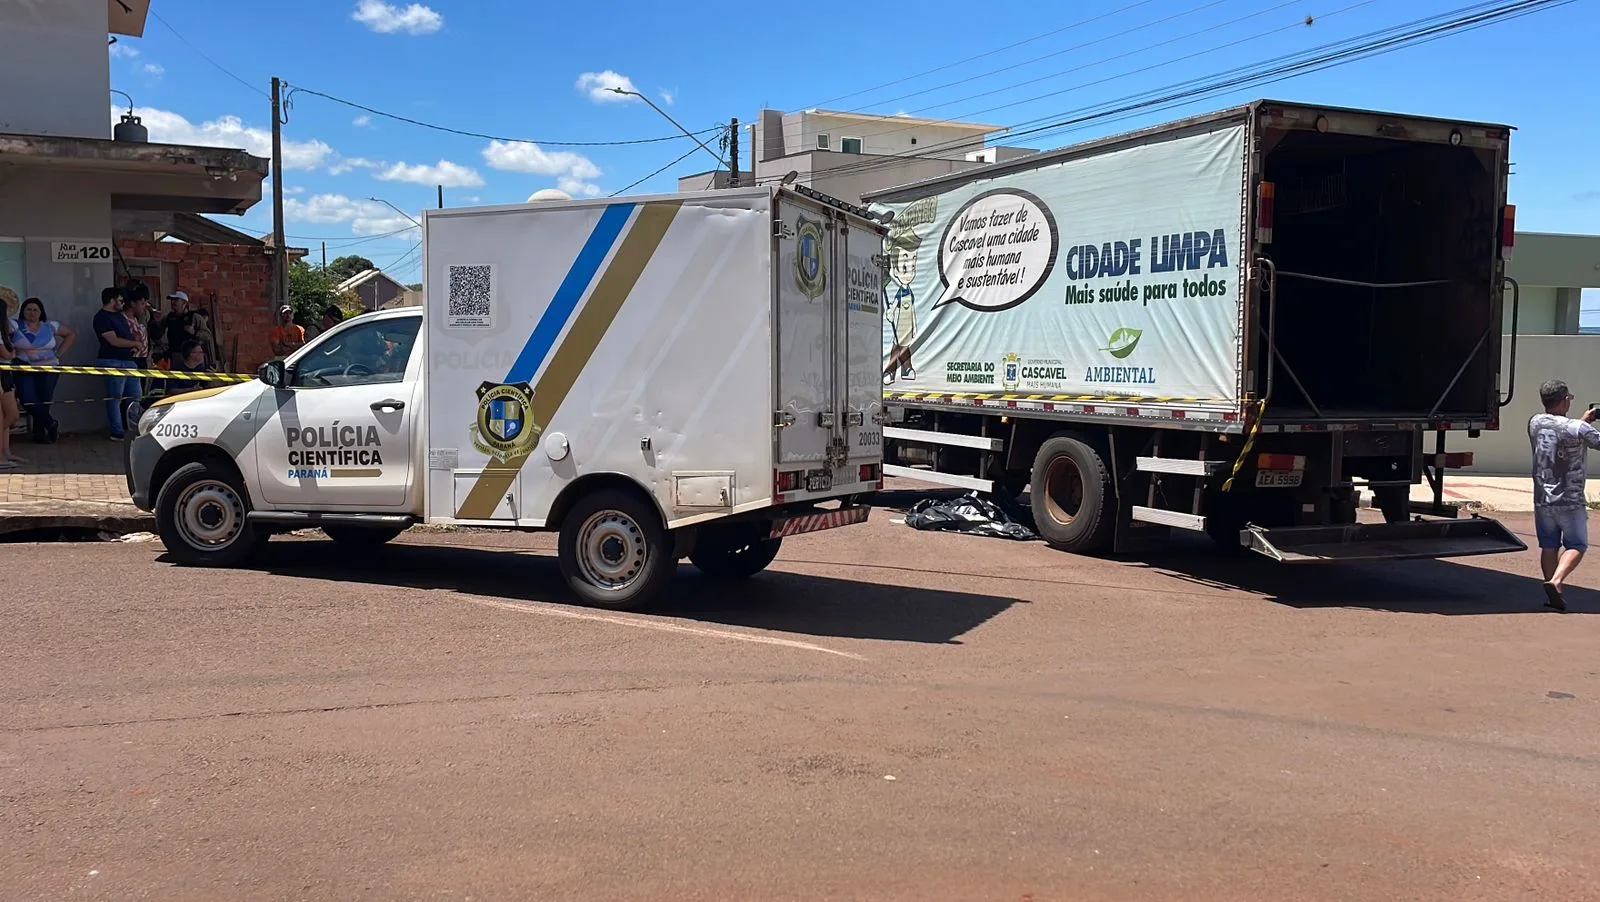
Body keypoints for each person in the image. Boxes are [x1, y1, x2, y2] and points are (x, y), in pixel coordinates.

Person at [1529, 378, 1600, 611]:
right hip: (1570, 499)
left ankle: (1553, 594)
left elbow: (1561, 430)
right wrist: (1586, 424)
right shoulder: (1578, 429)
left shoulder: (1535, 422)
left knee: (1549, 545)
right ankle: (1556, 581)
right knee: (1577, 544)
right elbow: (1583, 435)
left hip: (1542, 499)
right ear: (1564, 400)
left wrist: (1583, 421)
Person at [11, 297, 76, 443]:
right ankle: (50, 423)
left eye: (35, 310)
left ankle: (39, 434)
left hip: (49, 368)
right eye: (28, 309)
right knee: (27, 399)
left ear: (41, 312)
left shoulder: (50, 326)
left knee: (44, 400)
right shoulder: (15, 325)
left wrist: (58, 354)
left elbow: (71, 334)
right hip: (24, 368)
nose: (32, 313)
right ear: (23, 311)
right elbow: (4, 333)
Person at [93, 285, 141, 441]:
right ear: (112, 300)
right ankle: (117, 430)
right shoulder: (101, 317)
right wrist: (134, 344)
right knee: (115, 397)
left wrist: (132, 347)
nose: (123, 303)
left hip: (128, 360)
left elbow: (124, 337)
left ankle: (135, 427)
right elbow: (113, 340)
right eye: (120, 300)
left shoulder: (120, 317)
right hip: (112, 361)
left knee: (135, 396)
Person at [0, 319, 24, 469]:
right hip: (2, 372)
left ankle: (5, 451)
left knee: (8, 415)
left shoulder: (6, 332)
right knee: (11, 414)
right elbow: (7, 354)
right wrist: (12, 353)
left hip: (6, 372)